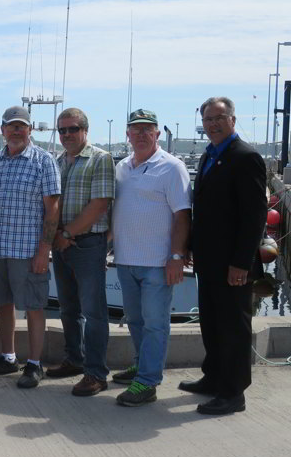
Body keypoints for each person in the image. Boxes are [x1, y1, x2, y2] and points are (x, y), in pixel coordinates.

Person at [183, 97, 267, 415]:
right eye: (207, 119)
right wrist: (191, 245)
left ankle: (233, 393)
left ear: (233, 119)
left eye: (219, 118)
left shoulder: (245, 157)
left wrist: (241, 263)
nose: (213, 124)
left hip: (233, 264)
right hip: (209, 259)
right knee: (212, 322)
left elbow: (254, 216)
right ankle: (213, 376)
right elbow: (202, 209)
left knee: (233, 326)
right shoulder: (209, 155)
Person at [111, 109, 191, 406]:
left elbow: (182, 216)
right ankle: (140, 364)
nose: (142, 134)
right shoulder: (121, 167)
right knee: (136, 320)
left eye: (148, 130)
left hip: (158, 263)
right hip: (125, 259)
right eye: (136, 129)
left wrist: (176, 256)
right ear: (127, 135)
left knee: (156, 323)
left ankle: (147, 382)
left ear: (157, 134)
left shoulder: (172, 167)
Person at [0, 106, 60, 389]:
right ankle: (8, 356)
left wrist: (43, 251)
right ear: (2, 130)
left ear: (30, 130)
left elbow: (52, 210)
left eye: (21, 126)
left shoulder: (43, 161)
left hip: (28, 252)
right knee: (3, 304)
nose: (16, 130)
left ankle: (35, 364)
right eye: (11, 126)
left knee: (35, 308)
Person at [48, 108, 115, 397]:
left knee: (94, 312)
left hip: (87, 245)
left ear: (85, 130)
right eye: (61, 130)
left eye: (72, 129)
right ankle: (74, 359)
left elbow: (100, 204)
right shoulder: (58, 161)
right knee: (68, 309)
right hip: (62, 245)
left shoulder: (100, 159)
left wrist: (65, 233)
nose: (66, 135)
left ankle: (96, 373)